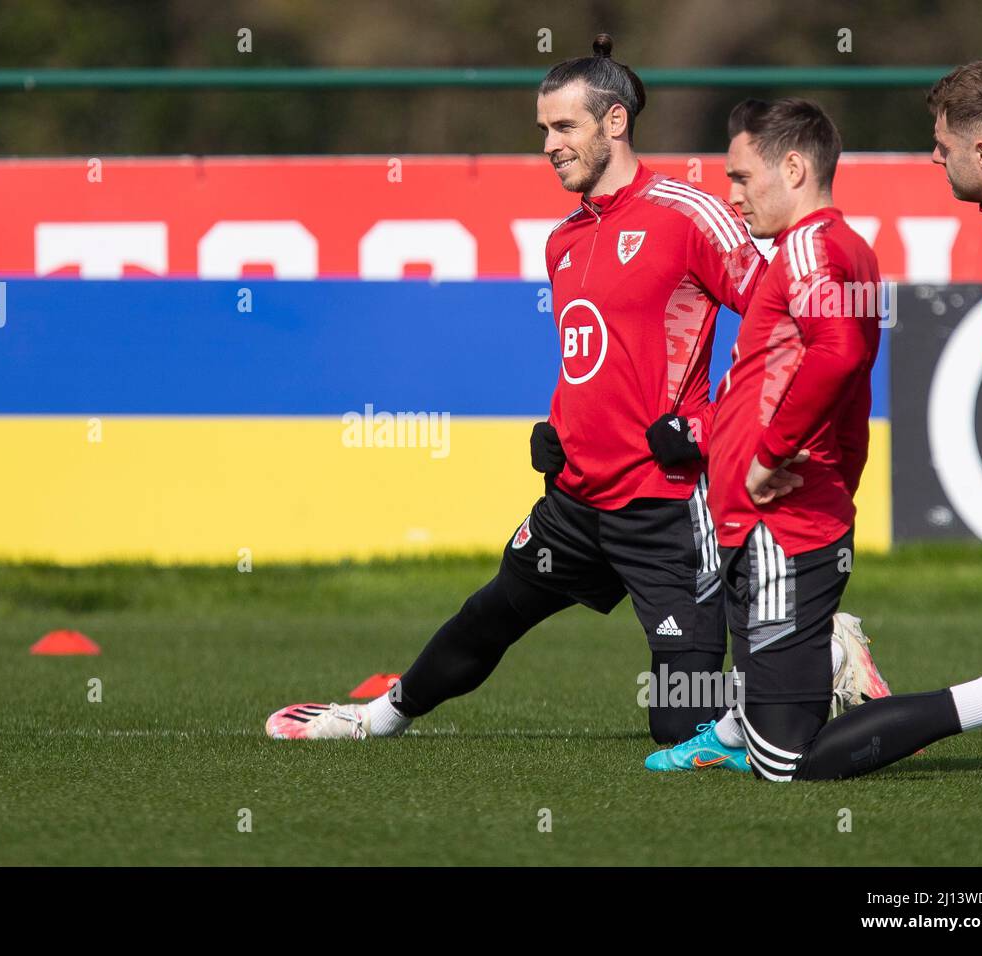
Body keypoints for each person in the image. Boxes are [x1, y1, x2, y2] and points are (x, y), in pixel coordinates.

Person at [266, 34, 768, 745]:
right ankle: (377, 719)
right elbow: (597, 354)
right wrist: (564, 426)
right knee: (491, 612)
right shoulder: (563, 240)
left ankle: (819, 656)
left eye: (564, 126)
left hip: (664, 509)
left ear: (614, 122)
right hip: (577, 497)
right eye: (544, 130)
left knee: (681, 723)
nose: (549, 145)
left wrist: (707, 429)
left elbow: (785, 322)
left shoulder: (689, 215)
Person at [650, 86, 982, 780]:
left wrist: (770, 456)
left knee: (790, 766)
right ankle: (757, 711)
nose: (731, 194)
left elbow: (836, 354)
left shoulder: (812, 250)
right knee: (771, 724)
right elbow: (804, 377)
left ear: (794, 169)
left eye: (741, 176)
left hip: (785, 523)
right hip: (785, 516)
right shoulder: (837, 249)